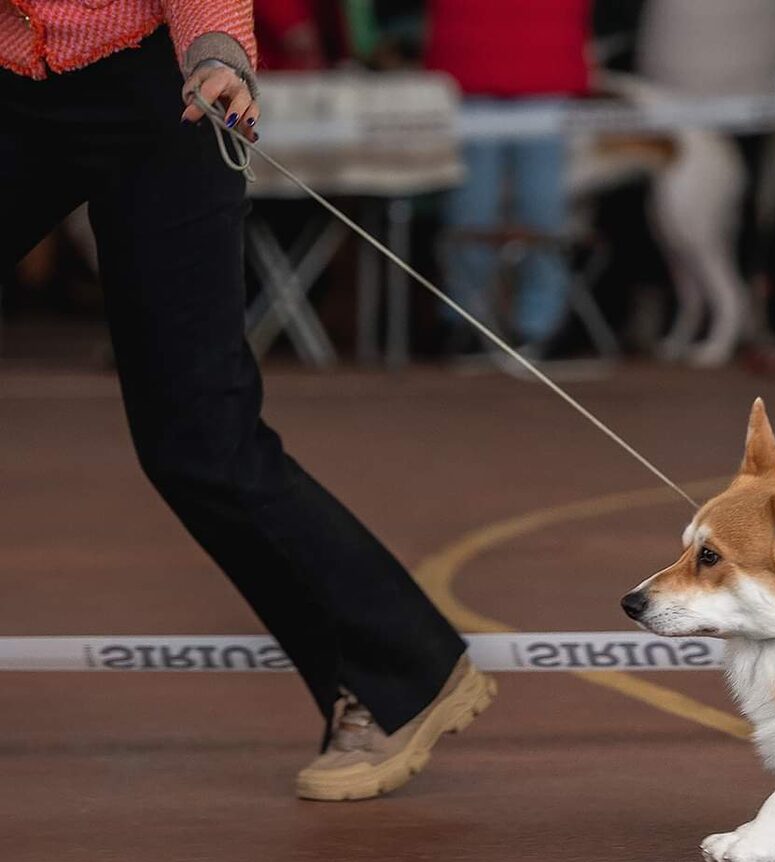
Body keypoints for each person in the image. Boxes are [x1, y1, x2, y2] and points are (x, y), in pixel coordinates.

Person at [2, 2, 494, 800]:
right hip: (14, 87)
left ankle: (395, 676)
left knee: (197, 439)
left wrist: (219, 49)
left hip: (163, 89)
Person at [426, 0, 592, 362]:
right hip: (548, 55)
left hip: (466, 57)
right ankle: (541, 325)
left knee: (470, 204)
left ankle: (465, 321)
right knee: (541, 204)